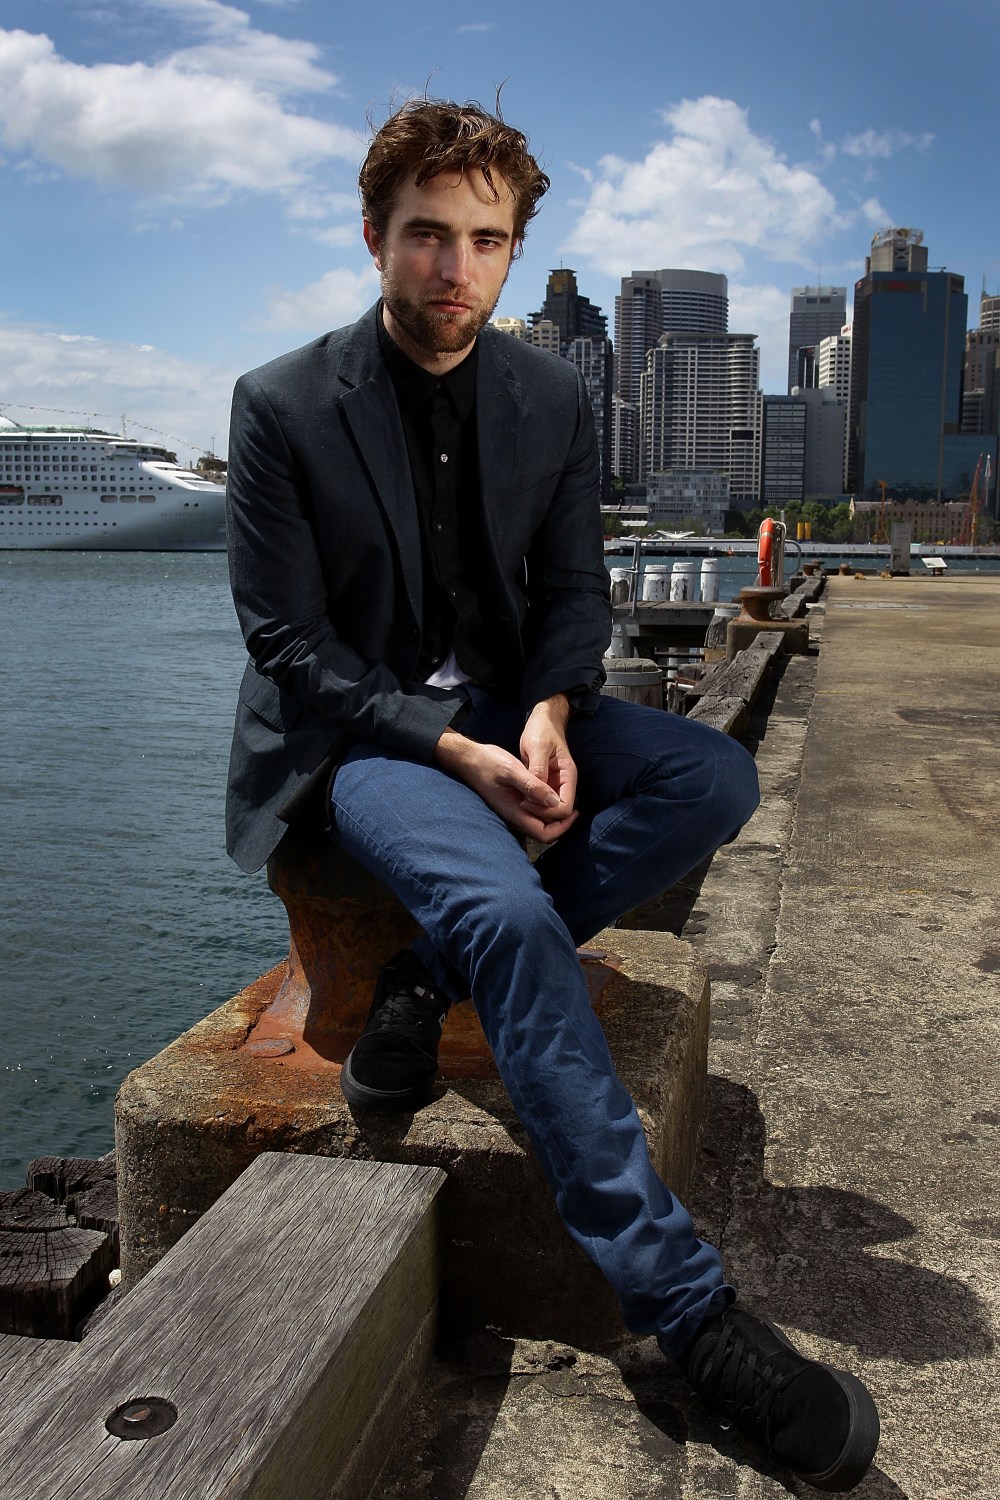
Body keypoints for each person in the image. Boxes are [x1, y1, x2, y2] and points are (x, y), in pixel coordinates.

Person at [225, 96, 880, 1492]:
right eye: (426, 235)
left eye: (485, 241)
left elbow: (577, 592)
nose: (453, 269)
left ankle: (423, 975)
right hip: (367, 739)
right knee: (515, 919)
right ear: (373, 236)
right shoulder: (280, 405)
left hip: (506, 712)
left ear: (515, 252)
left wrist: (548, 708)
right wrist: (455, 750)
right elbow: (288, 646)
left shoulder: (551, 397)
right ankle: (685, 1317)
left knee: (713, 776)